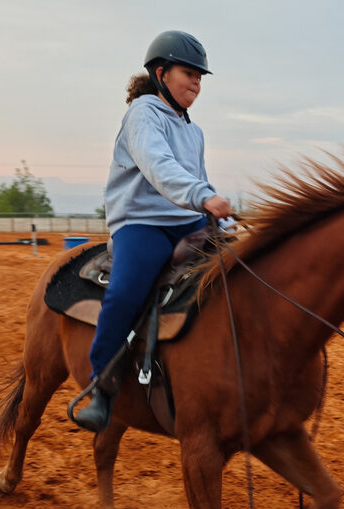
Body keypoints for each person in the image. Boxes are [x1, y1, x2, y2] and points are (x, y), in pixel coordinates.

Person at [73, 30, 233, 432]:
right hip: (141, 223)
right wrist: (202, 195)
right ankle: (102, 385)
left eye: (200, 76)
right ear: (161, 73)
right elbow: (159, 166)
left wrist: (225, 219)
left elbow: (199, 179)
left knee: (239, 267)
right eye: (189, 73)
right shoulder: (143, 113)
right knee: (127, 291)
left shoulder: (193, 131)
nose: (196, 82)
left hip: (187, 220)